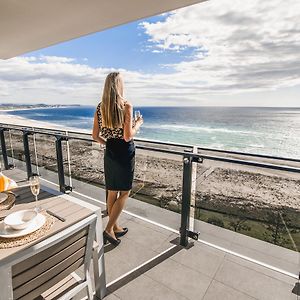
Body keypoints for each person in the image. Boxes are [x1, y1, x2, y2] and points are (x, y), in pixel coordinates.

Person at [92, 72, 143, 246]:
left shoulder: (100, 107)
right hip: (124, 152)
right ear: (119, 86)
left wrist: (107, 143)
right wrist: (138, 124)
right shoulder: (126, 105)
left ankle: (115, 226)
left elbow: (95, 136)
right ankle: (108, 229)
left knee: (112, 191)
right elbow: (128, 136)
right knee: (125, 192)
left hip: (110, 151)